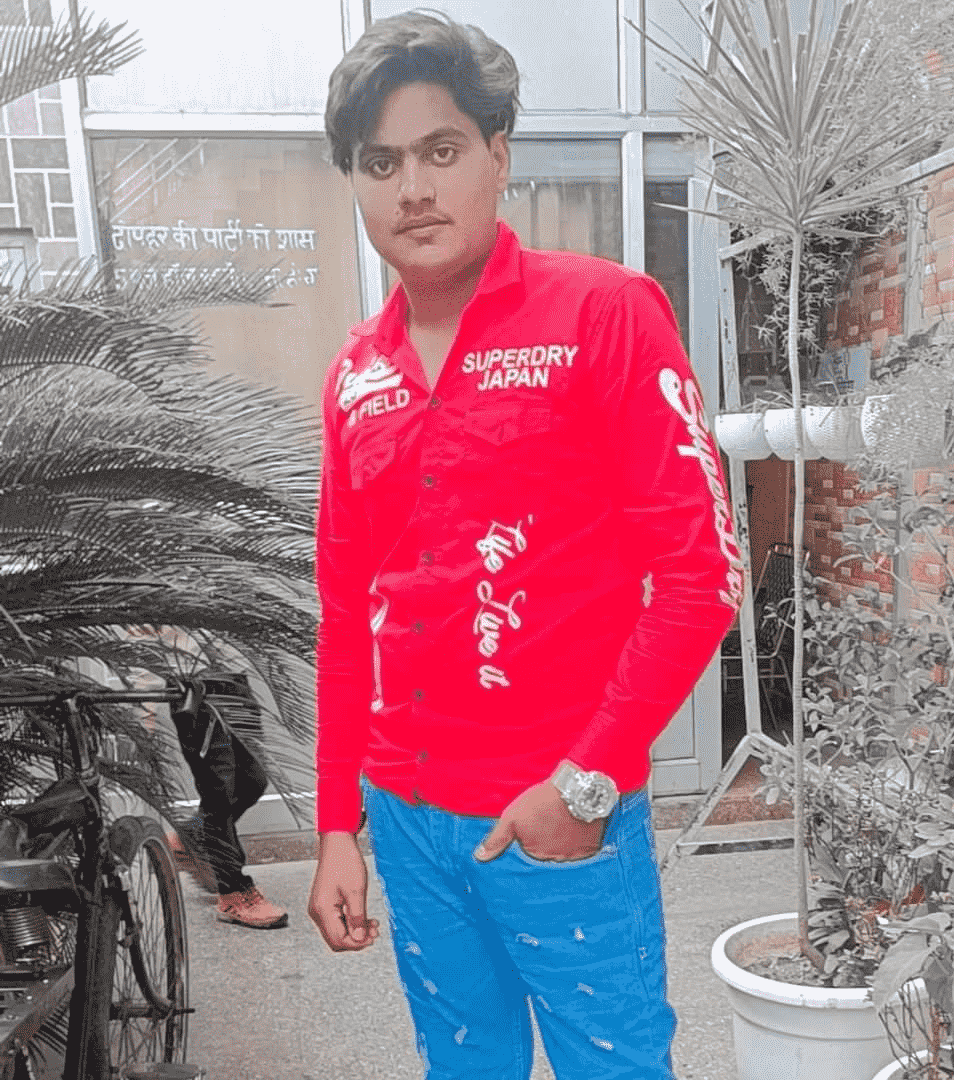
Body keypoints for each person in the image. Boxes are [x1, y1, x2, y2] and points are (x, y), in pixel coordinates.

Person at [307, 10, 743, 1078]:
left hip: (559, 813)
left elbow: (701, 577)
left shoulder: (605, 314)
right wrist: (334, 827)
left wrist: (585, 785)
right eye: (381, 163)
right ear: (356, 183)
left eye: (441, 150)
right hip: (407, 821)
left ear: (498, 156)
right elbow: (346, 614)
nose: (414, 188)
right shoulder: (356, 376)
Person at [169, 671, 289, 929]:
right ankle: (233, 894)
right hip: (196, 688)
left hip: (234, 683)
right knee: (218, 795)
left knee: (253, 781)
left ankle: (194, 833)